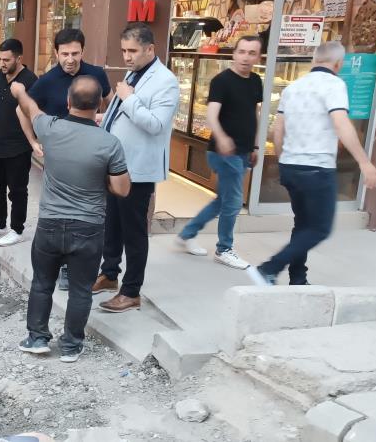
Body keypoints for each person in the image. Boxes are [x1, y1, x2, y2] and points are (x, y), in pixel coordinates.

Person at [10, 76, 131, 362]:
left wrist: (20, 90)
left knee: (42, 283)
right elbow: (122, 189)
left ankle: (37, 338)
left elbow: (29, 107)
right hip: (88, 228)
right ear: (100, 104)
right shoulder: (110, 143)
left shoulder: (50, 128)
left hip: (50, 224)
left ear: (68, 102)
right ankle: (71, 346)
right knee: (79, 290)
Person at [247, 41, 376, 286]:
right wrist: (364, 162)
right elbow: (341, 124)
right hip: (317, 169)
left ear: (314, 60)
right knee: (319, 228)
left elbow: (278, 129)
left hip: (291, 166)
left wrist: (282, 158)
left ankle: (298, 279)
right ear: (338, 64)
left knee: (304, 225)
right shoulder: (335, 85)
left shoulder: (293, 87)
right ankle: (269, 269)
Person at [16, 28, 112, 290]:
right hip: (58, 158)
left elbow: (110, 104)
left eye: (76, 53)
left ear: (83, 51)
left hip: (92, 155)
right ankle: (59, 265)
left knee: (90, 211)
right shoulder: (47, 81)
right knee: (58, 212)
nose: (70, 59)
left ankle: (80, 266)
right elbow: (22, 110)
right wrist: (33, 142)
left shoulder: (97, 74)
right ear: (56, 53)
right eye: (65, 54)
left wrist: (106, 123)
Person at [96, 22, 179, 313]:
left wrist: (129, 99)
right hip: (117, 165)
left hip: (138, 168)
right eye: (123, 50)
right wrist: (104, 120)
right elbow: (124, 116)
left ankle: (131, 291)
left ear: (150, 49)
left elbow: (156, 125)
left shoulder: (165, 81)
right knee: (112, 224)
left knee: (133, 231)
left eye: (132, 50)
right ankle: (109, 274)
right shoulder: (134, 73)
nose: (127, 56)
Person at [175, 36, 264, 269]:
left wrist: (255, 145)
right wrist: (223, 138)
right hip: (224, 153)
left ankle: (187, 232)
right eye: (242, 51)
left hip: (244, 151)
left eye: (251, 53)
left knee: (223, 200)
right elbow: (211, 115)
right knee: (233, 202)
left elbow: (254, 114)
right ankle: (224, 249)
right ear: (234, 54)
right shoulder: (221, 81)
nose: (246, 57)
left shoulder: (256, 81)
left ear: (258, 57)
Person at [0, 38, 39, 247]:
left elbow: (33, 114)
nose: (2, 63)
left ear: (19, 58)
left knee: (17, 190)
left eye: (7, 59)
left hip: (18, 147)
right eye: (0, 58)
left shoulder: (31, 81)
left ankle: (17, 229)